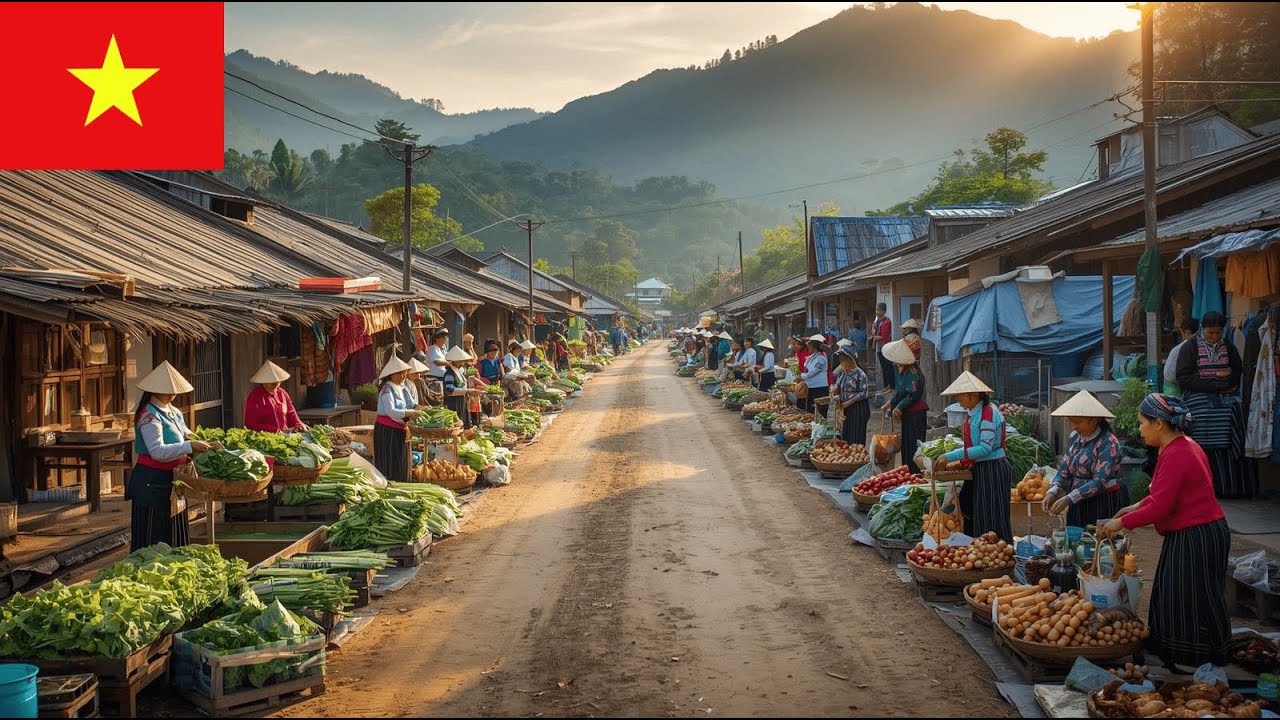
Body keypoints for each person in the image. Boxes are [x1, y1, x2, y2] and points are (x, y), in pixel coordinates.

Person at [1098, 393, 1229, 671]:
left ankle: (1190, 659)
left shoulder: (1178, 453)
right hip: (1197, 531)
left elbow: (1161, 507)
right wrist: (1132, 506)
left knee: (1187, 597)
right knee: (1179, 592)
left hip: (1197, 534)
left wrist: (1120, 523)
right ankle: (1187, 652)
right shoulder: (1180, 446)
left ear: (1159, 423)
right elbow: (1162, 495)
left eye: (1142, 422)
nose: (1140, 429)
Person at [130, 361, 217, 551]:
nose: (173, 395)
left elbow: (186, 433)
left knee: (174, 531)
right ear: (155, 390)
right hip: (152, 481)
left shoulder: (174, 411)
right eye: (168, 391)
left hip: (174, 480)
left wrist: (209, 443)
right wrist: (189, 446)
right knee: (154, 536)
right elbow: (157, 451)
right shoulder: (149, 415)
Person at [1176, 311, 1255, 498]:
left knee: (1231, 434)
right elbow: (1183, 377)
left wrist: (1228, 382)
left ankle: (1228, 488)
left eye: (1218, 333)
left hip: (1224, 402)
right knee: (1202, 442)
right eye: (1211, 333)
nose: (1214, 337)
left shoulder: (1228, 347)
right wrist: (1211, 383)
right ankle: (1203, 488)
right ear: (1203, 329)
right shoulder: (1190, 348)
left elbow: (1237, 371)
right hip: (1198, 401)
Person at [934, 371, 1012, 542]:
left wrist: (950, 456)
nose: (958, 399)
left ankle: (997, 554)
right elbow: (972, 447)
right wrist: (962, 461)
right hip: (980, 467)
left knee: (992, 514)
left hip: (993, 469)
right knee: (974, 509)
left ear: (974, 394)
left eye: (961, 395)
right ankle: (978, 548)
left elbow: (985, 448)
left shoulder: (988, 413)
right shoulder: (972, 414)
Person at [1043, 390, 1129, 527]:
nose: (1074, 426)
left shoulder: (1108, 443)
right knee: (1076, 541)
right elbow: (1064, 468)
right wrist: (1053, 491)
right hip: (1078, 501)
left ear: (1094, 420)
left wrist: (1069, 498)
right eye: (1070, 421)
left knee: (1097, 542)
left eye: (1078, 422)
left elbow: (1099, 481)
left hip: (1103, 501)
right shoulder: (1075, 437)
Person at [880, 339, 928, 475]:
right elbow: (900, 392)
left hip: (916, 413)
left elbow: (913, 395)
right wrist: (890, 402)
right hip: (907, 414)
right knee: (906, 444)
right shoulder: (900, 370)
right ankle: (907, 472)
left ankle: (916, 473)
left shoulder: (912, 373)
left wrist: (899, 407)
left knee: (914, 445)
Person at [374, 355, 420, 482]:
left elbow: (411, 404)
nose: (403, 376)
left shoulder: (403, 388)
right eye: (400, 373)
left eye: (404, 373)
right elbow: (391, 411)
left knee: (401, 459)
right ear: (392, 374)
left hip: (400, 428)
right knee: (390, 460)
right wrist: (412, 412)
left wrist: (421, 409)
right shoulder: (386, 389)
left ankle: (402, 481)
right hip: (387, 430)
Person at [243, 361, 305, 433]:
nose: (275, 384)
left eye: (277, 382)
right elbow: (250, 424)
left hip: (285, 436)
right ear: (264, 382)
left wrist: (299, 424)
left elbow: (291, 413)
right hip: (264, 438)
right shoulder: (254, 396)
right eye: (272, 383)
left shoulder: (283, 393)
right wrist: (276, 431)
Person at [833, 345, 870, 446]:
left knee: (856, 435)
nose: (842, 362)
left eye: (844, 359)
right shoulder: (843, 374)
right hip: (845, 408)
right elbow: (837, 387)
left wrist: (847, 404)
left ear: (850, 359)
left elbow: (863, 393)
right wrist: (835, 392)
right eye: (841, 360)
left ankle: (858, 459)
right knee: (846, 434)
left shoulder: (860, 374)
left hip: (858, 408)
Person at [441, 346, 480, 428]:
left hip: (461, 401)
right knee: (456, 425)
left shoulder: (459, 371)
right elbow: (449, 389)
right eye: (461, 361)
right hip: (453, 403)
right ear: (456, 361)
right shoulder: (449, 373)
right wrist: (468, 391)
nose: (463, 363)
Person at [1163, 317, 1199, 397]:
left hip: (1172, 384)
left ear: (1185, 332)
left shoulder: (1183, 346)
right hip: (1175, 385)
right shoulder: (1187, 346)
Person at [800, 338, 830, 413]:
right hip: (810, 386)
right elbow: (806, 369)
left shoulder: (821, 358)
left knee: (820, 410)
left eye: (809, 346)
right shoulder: (810, 357)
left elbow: (814, 371)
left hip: (820, 387)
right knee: (810, 410)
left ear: (814, 347)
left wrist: (802, 376)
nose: (808, 348)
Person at [872, 302, 894, 390]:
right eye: (876, 309)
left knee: (888, 367)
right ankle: (886, 386)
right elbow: (873, 330)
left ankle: (891, 385)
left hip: (885, 348)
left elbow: (883, 336)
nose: (877, 312)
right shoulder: (877, 321)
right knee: (884, 368)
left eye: (879, 310)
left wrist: (875, 337)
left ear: (884, 311)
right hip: (879, 348)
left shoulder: (887, 321)